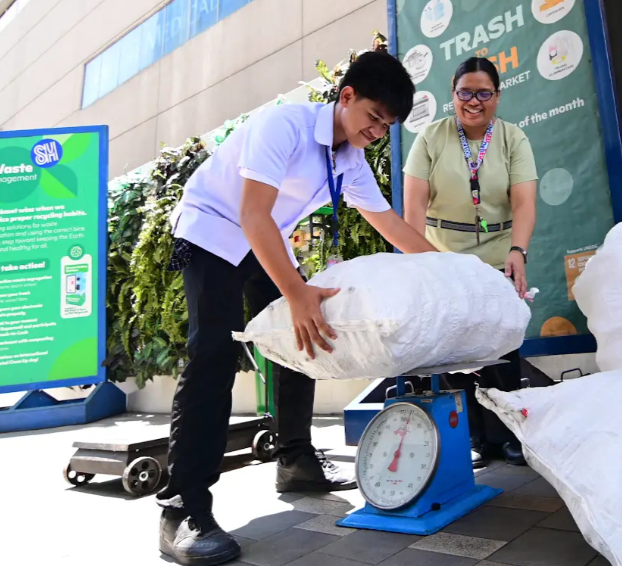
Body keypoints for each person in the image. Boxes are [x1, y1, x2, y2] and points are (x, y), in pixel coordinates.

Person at [157, 51, 437, 566]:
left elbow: (392, 226)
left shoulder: (349, 157)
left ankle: (295, 461)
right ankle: (183, 506)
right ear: (345, 96)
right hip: (212, 230)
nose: (377, 131)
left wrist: (458, 274)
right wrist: (296, 291)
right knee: (214, 353)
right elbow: (251, 213)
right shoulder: (282, 124)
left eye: (387, 125)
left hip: (263, 240)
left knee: (304, 336)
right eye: (373, 117)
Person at [403, 56, 538, 468]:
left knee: (501, 343)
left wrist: (518, 250)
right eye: (465, 93)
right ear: (453, 95)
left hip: (497, 249)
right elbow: (413, 205)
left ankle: (509, 435)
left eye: (484, 93)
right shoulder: (431, 136)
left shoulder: (514, 138)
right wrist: (419, 261)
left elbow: (524, 201)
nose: (474, 101)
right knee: (452, 350)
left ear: (497, 96)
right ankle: (474, 437)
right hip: (443, 253)